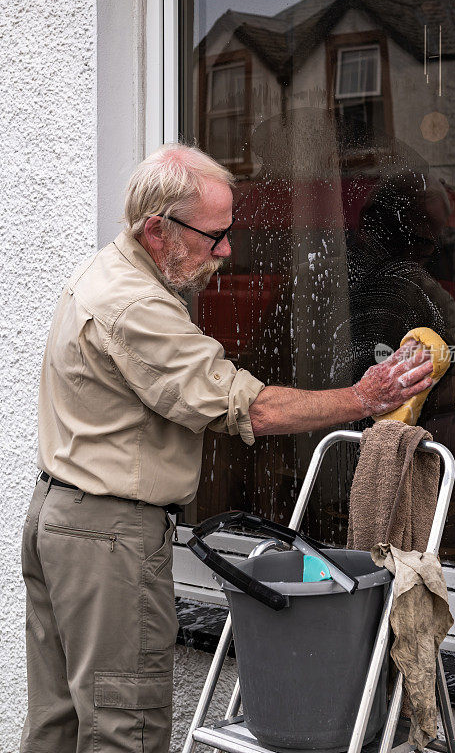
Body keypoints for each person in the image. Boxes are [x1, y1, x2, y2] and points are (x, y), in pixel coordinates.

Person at [20, 143, 433, 753]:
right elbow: (249, 407)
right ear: (158, 229)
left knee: (58, 725)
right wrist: (361, 398)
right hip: (108, 541)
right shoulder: (136, 307)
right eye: (215, 235)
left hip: (62, 522)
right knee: (124, 731)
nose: (226, 251)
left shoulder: (106, 270)